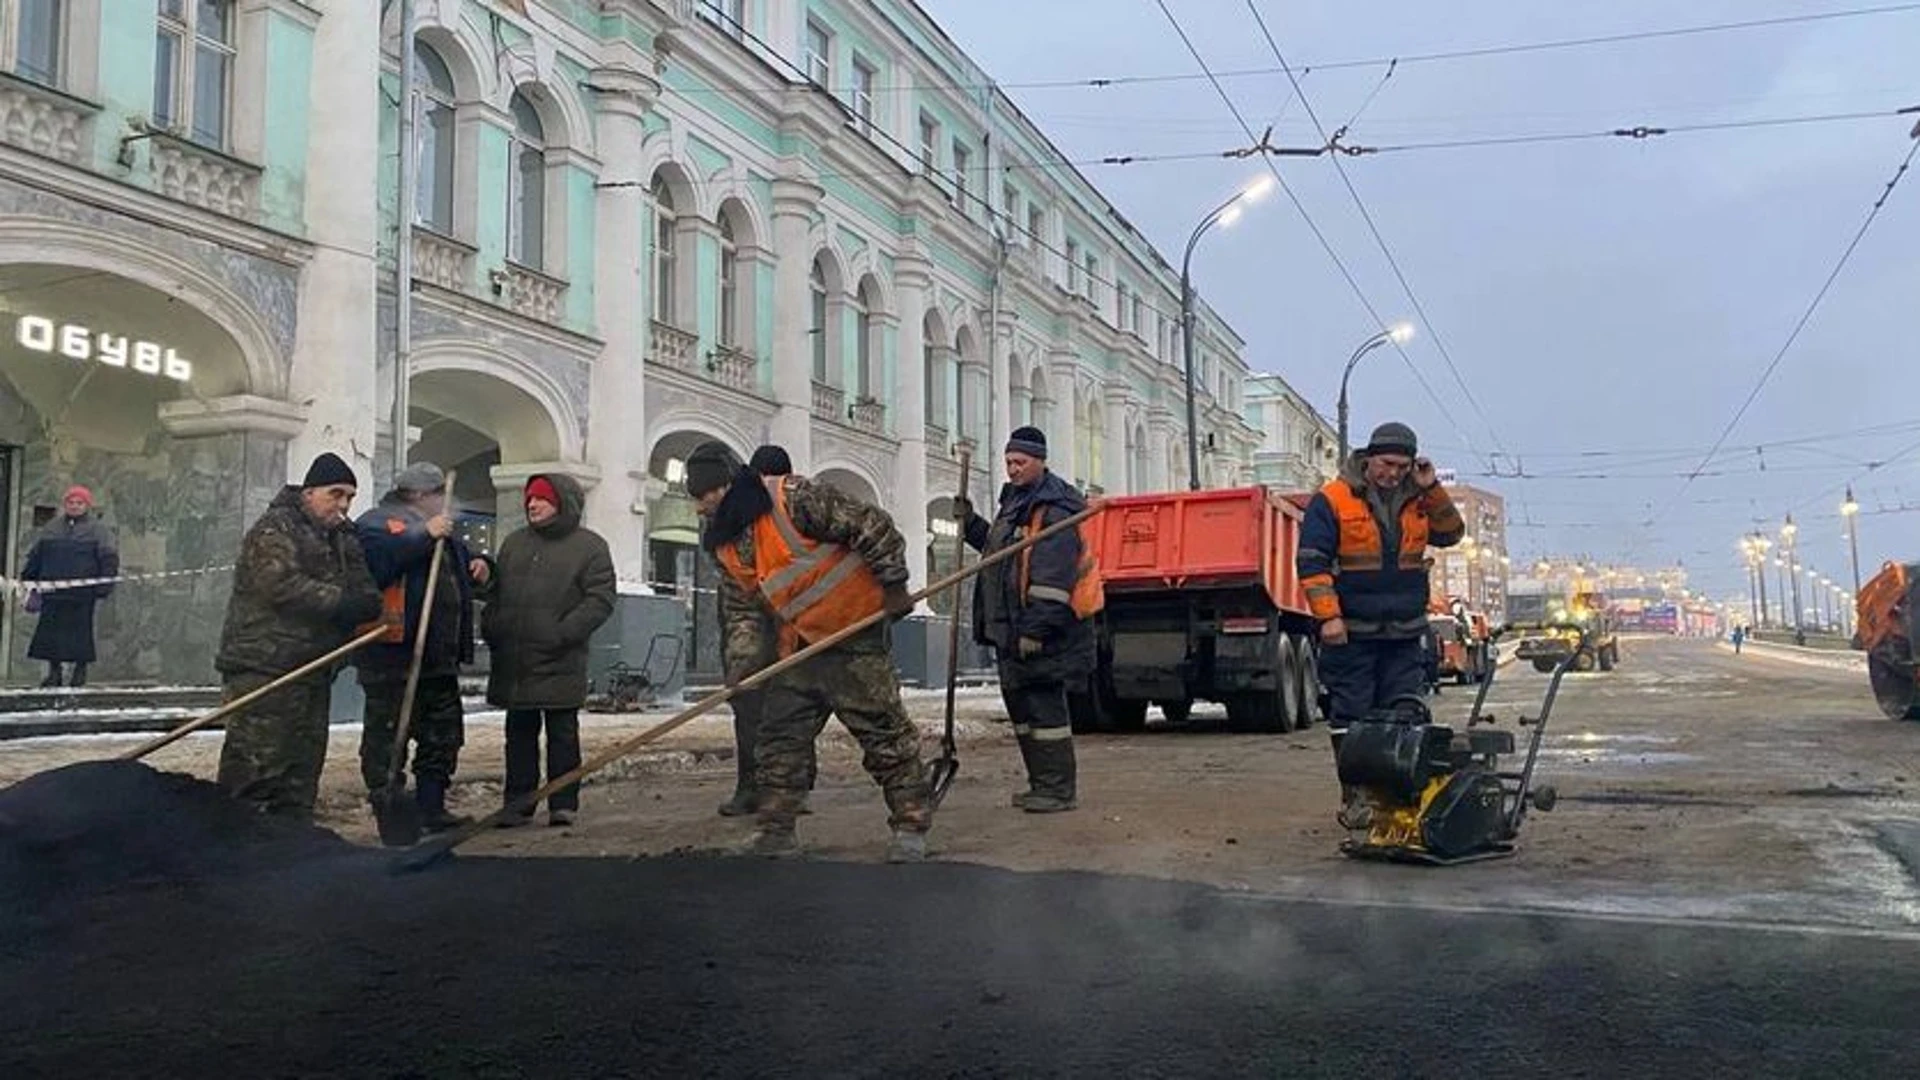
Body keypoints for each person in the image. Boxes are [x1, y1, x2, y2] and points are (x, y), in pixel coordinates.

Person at [684, 440, 931, 862]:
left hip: (855, 635)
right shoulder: (725, 544)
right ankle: (776, 830)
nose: (701, 507)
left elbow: (872, 525)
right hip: (798, 647)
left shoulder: (793, 498)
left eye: (706, 495)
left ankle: (910, 825)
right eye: (696, 498)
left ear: (727, 487)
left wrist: (894, 585)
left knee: (884, 734)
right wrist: (742, 665)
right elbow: (742, 607)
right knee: (779, 739)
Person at [1297, 422, 1464, 829]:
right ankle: (1356, 797)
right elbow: (1312, 562)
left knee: (1405, 712)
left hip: (1404, 630)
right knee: (1351, 717)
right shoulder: (1332, 499)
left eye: (1402, 466)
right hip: (1352, 630)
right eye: (1387, 464)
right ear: (1368, 458)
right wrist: (1329, 617)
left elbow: (1451, 534)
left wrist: (1432, 488)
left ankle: (1397, 799)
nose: (1393, 473)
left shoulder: (1419, 498)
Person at [215, 452, 384, 818]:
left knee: (301, 770)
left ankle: (292, 849)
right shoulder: (276, 528)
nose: (342, 504)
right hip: (266, 666)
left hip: (313, 667)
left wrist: (365, 602)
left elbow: (364, 586)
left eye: (349, 497)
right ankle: (236, 848)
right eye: (335, 494)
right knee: (258, 766)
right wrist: (341, 602)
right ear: (309, 492)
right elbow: (278, 584)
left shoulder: (341, 536)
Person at [953, 426, 1097, 813]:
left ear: (1040, 460)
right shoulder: (1017, 501)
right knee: (1022, 713)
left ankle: (1058, 790)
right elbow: (1000, 551)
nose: (1013, 469)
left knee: (1045, 712)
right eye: (1009, 462)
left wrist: (1035, 630)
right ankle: (1041, 784)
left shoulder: (1054, 507)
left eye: (1020, 462)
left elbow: (1052, 578)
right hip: (1010, 631)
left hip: (1043, 635)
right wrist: (971, 525)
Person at [353, 462, 490, 836]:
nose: (443, 504)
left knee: (441, 737)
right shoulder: (378, 523)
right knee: (388, 739)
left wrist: (479, 566)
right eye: (436, 496)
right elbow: (373, 567)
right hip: (394, 655)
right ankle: (393, 815)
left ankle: (432, 807)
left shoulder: (442, 531)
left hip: (438, 656)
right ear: (417, 494)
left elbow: (457, 567)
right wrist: (420, 536)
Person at [480, 473, 616, 827]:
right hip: (516, 658)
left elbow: (600, 599)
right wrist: (492, 621)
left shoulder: (590, 547)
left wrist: (562, 633)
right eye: (529, 499)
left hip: (561, 657)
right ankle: (518, 803)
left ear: (563, 503)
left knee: (562, 734)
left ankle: (563, 802)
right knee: (519, 734)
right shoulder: (514, 544)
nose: (532, 504)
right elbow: (497, 591)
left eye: (541, 499)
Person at [716, 443, 809, 817]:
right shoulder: (738, 521)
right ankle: (753, 787)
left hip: (798, 631)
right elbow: (741, 595)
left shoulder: (795, 514)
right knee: (751, 712)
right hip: (751, 635)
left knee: (794, 716)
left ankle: (792, 791)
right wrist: (742, 658)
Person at [22, 485, 118, 687]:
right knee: (51, 635)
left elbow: (109, 558)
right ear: (65, 504)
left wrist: (104, 584)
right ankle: (54, 672)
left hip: (82, 593)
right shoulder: (52, 527)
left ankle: (79, 672)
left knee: (80, 634)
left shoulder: (98, 531)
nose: (74, 506)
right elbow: (37, 555)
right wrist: (29, 577)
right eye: (71, 502)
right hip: (53, 591)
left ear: (87, 506)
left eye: (79, 503)